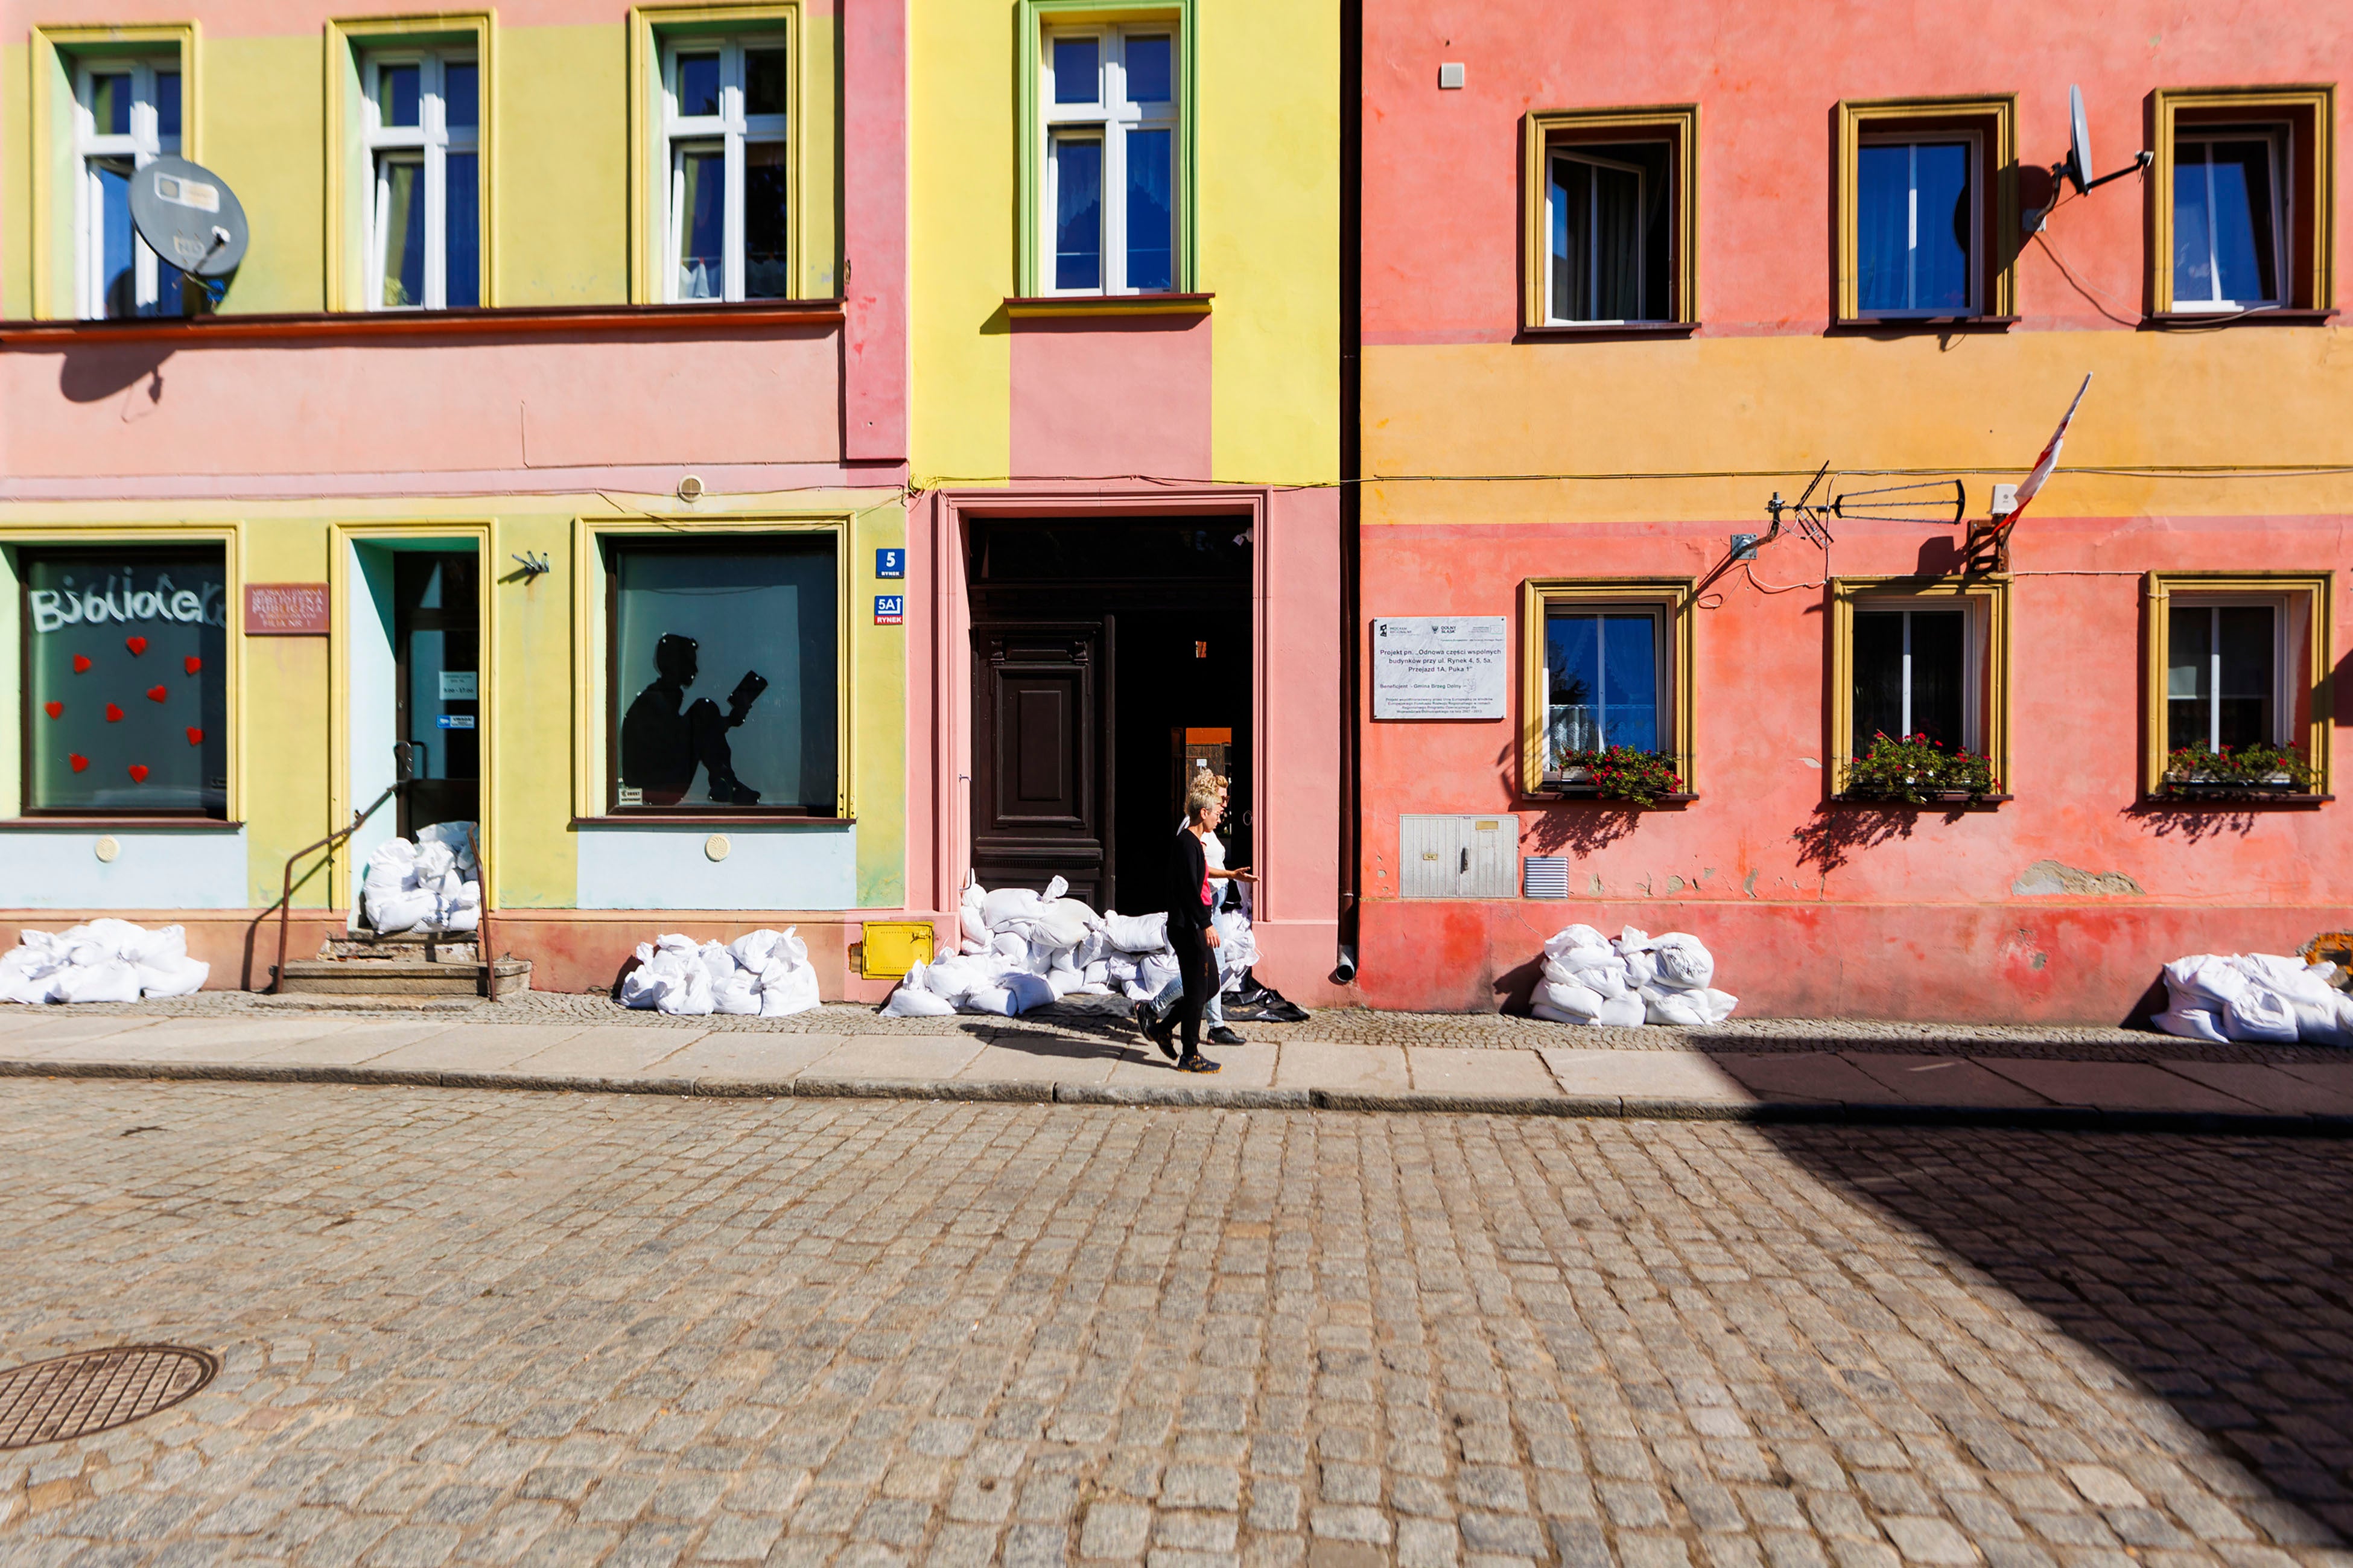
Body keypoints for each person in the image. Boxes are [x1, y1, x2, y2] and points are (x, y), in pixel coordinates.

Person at [1135, 772, 1253, 1046]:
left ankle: (1211, 1026)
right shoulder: (1189, 836)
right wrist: (1205, 921)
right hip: (1199, 914)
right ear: (1205, 807)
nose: (1224, 808)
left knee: (1211, 975)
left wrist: (1231, 876)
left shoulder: (1205, 833)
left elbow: (1200, 869)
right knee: (1201, 978)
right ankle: (1158, 1012)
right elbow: (1190, 880)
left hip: (1209, 907)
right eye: (1221, 801)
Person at [618, 633, 763, 805]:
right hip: (655, 786)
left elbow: (685, 734)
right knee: (704, 708)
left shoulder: (659, 698)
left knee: (704, 711)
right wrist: (719, 722)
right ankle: (725, 783)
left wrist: (729, 721)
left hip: (657, 783)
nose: (695, 670)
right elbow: (680, 736)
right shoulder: (655, 700)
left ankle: (725, 783)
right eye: (690, 663)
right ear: (676, 665)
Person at [1151, 775, 1226, 1072]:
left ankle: (1163, 1028)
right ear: (1203, 813)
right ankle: (1190, 1054)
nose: (1220, 818)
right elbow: (1188, 890)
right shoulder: (1186, 844)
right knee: (1197, 990)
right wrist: (1206, 923)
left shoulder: (1196, 845)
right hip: (1188, 927)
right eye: (1216, 813)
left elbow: (1200, 881)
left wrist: (1232, 876)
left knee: (1209, 987)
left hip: (1194, 924)